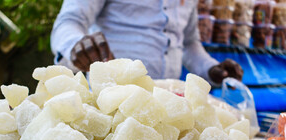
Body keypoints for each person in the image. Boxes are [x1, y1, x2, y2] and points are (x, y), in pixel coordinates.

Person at [50, 0, 243, 85]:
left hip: (167, 103)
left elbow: (189, 43)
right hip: (114, 99)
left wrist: (211, 68)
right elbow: (69, 22)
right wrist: (76, 45)